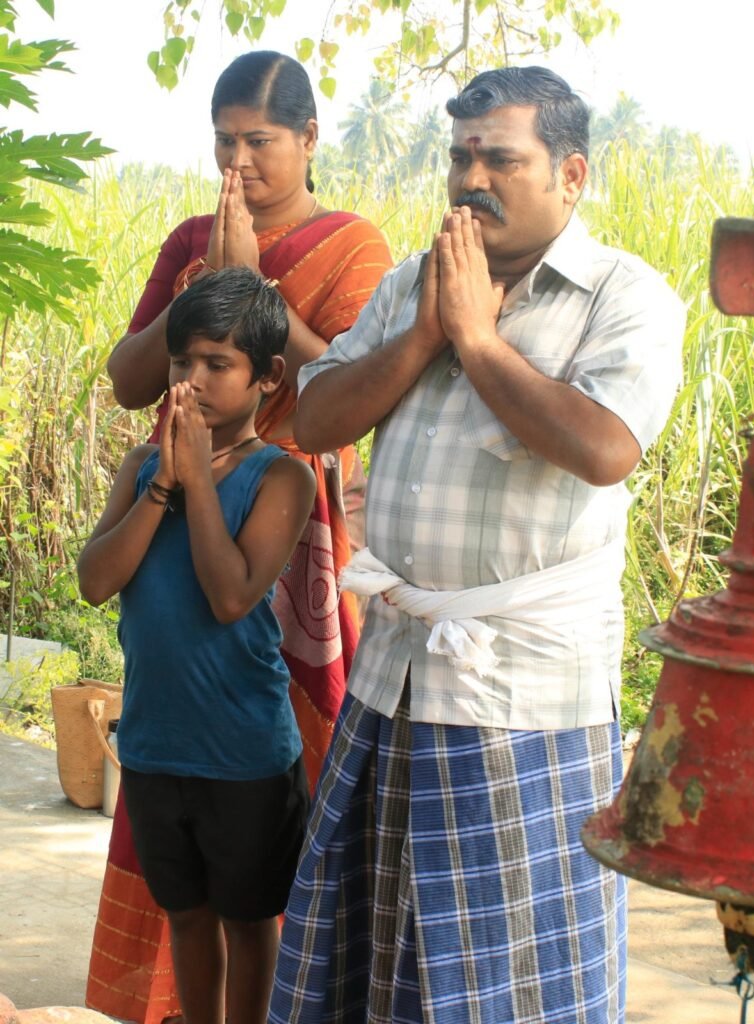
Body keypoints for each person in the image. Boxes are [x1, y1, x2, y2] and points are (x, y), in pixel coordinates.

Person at [269, 67, 686, 1024]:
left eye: (500, 157)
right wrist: (425, 335)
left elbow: (603, 447)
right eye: (459, 157)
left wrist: (478, 341)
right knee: (376, 956)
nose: (471, 179)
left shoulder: (621, 295)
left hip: (521, 696)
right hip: (394, 677)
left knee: (514, 981)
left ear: (570, 175)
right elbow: (316, 417)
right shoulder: (411, 284)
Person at [86, 51, 393, 1024]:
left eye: (259, 140)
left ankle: (296, 999)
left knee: (277, 778)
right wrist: (204, 282)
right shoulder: (189, 238)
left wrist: (255, 285)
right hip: (175, 499)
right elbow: (129, 379)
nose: (238, 161)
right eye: (223, 142)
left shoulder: (352, 247)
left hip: (288, 521)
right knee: (180, 793)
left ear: (308, 138)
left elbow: (350, 382)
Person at [78, 267, 316, 1024]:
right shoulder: (141, 468)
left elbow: (230, 595)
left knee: (248, 920)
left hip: (244, 750)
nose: (194, 379)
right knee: (185, 914)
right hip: (156, 744)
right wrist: (162, 487)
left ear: (267, 376)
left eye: (219, 363)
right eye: (183, 361)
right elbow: (95, 581)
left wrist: (200, 484)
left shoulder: (282, 478)